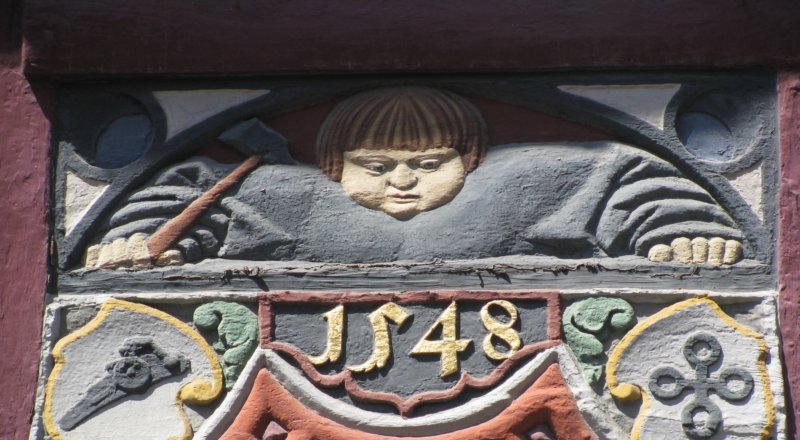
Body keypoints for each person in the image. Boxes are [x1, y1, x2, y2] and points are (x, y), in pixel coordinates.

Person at [85, 86, 744, 268]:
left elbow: (625, 178)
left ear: (470, 162)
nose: (402, 181)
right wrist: (141, 243)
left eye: (429, 166)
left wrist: (679, 232)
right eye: (376, 168)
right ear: (333, 167)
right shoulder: (281, 191)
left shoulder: (526, 181)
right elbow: (191, 196)